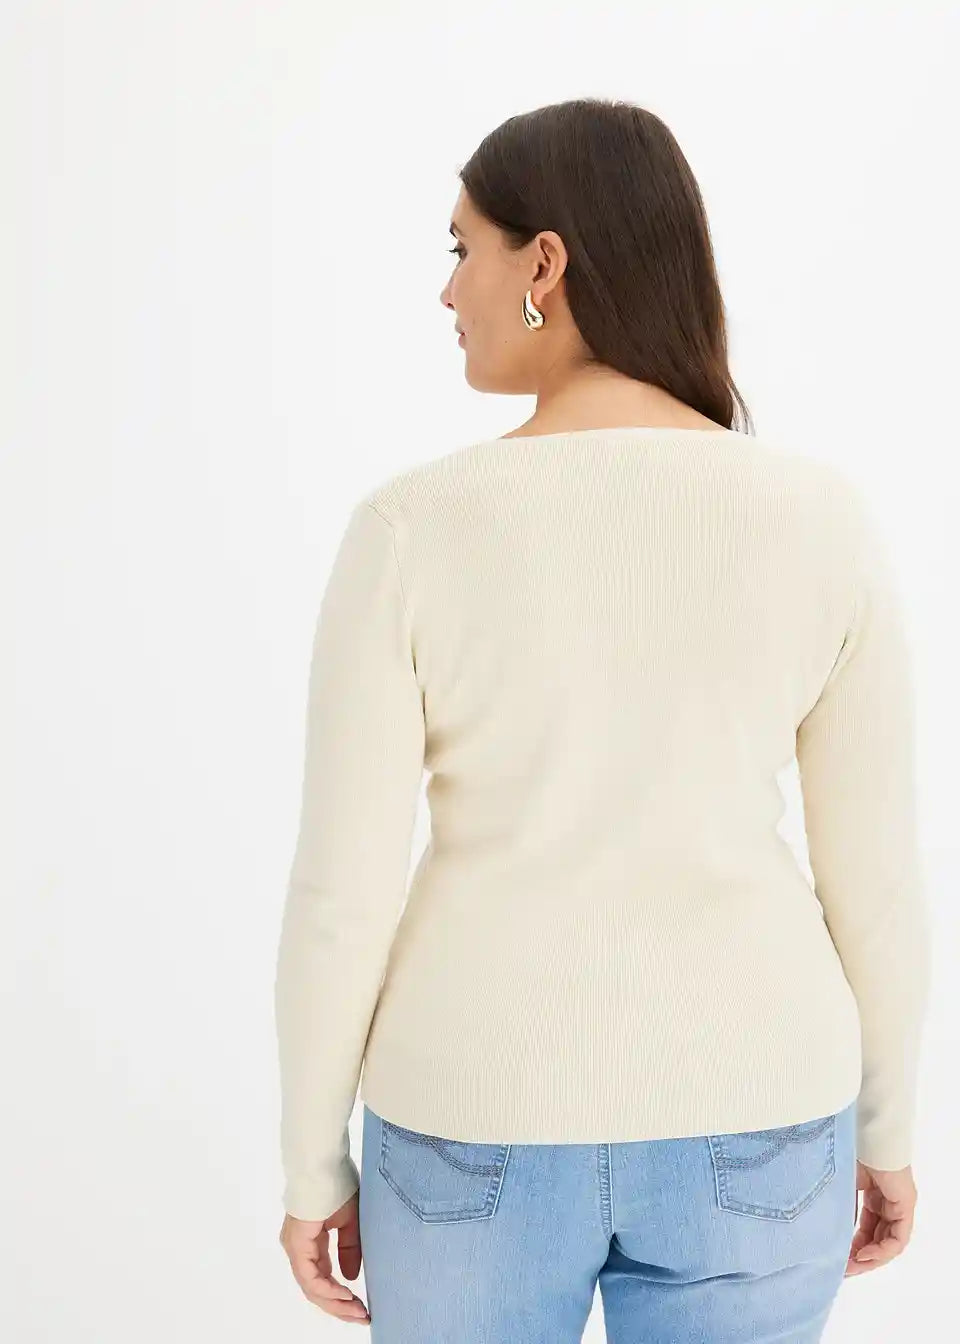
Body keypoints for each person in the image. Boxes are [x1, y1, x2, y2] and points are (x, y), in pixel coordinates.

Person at [274, 98, 931, 1341]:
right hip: (762, 1117)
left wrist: (314, 1164)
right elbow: (878, 882)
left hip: (471, 1121)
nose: (447, 289)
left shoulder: (410, 531)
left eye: (461, 247)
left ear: (545, 263)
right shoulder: (822, 521)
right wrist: (888, 1130)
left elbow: (339, 897)